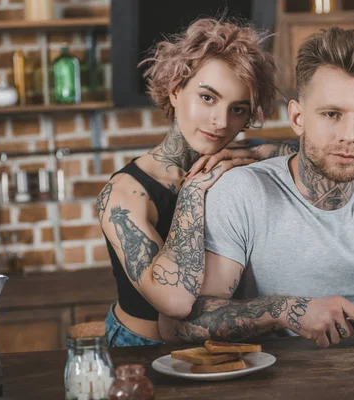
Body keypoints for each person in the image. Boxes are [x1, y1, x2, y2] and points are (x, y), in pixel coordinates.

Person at [157, 27, 354, 356]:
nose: (349, 135)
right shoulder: (243, 191)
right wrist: (288, 310)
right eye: (332, 114)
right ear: (298, 117)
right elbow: (180, 324)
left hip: (348, 375)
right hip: (254, 380)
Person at [97, 17, 298, 347]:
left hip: (214, 345)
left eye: (237, 109)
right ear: (176, 91)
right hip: (140, 352)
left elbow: (313, 157)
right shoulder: (125, 194)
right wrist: (191, 192)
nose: (221, 122)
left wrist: (257, 153)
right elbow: (175, 302)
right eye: (208, 98)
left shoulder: (230, 157)